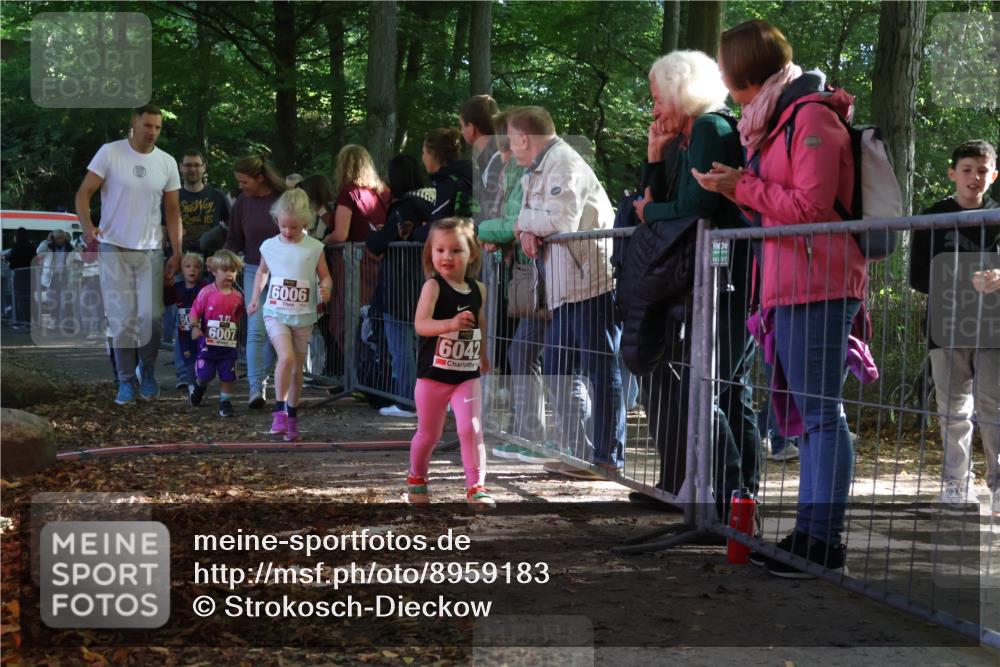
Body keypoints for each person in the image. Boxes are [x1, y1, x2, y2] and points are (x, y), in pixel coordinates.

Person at [694, 19, 865, 577]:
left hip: (821, 283)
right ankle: (810, 536)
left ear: (741, 68)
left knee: (821, 416)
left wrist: (740, 186)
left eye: (723, 65)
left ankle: (824, 541)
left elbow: (814, 209)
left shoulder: (811, 116)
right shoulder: (774, 122)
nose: (720, 75)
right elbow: (777, 210)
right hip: (790, 285)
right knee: (813, 416)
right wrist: (738, 187)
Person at [628, 50, 760, 513]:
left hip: (727, 274)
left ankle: (727, 498)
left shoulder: (708, 128)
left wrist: (650, 212)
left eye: (658, 98)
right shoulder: (685, 137)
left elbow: (691, 207)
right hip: (705, 274)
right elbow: (656, 199)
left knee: (712, 384)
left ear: (681, 91)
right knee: (722, 384)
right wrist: (653, 156)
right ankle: (709, 489)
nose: (654, 109)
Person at [509, 105, 625, 480]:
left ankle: (608, 457)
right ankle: (576, 451)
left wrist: (525, 224)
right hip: (564, 287)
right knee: (560, 367)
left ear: (524, 137)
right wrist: (527, 229)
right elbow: (532, 223)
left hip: (593, 283)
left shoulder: (564, 163)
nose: (510, 149)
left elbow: (560, 221)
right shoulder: (537, 171)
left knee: (600, 369)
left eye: (511, 140)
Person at [908, 139, 999, 512]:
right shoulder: (932, 217)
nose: (974, 178)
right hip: (945, 327)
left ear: (993, 175)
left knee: (994, 408)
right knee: (953, 410)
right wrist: (963, 280)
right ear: (952, 174)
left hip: (993, 329)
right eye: (967, 170)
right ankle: (956, 483)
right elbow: (917, 276)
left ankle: (997, 485)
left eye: (982, 171)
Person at [75, 103, 183, 404]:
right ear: (134, 124)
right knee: (122, 320)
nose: (153, 132)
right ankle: (124, 382)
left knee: (152, 318)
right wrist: (88, 227)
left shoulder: (167, 162)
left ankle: (145, 371)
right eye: (148, 126)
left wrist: (177, 250)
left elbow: (173, 210)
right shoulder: (110, 152)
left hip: (150, 249)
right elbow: (84, 192)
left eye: (158, 127)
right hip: (114, 246)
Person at [477, 108, 551, 464]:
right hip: (530, 275)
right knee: (523, 353)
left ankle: (534, 437)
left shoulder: (522, 169)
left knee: (526, 353)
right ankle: (527, 433)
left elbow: (513, 221)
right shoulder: (513, 168)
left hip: (541, 276)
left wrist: (480, 232)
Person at [406, 217, 493, 509]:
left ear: (472, 254)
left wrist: (482, 356)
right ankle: (417, 477)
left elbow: (480, 324)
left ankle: (476, 487)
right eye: (440, 250)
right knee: (429, 433)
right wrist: (450, 324)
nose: (447, 257)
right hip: (433, 376)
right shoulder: (432, 287)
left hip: (466, 375)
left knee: (471, 427)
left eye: (456, 250)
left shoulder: (479, 289)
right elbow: (421, 325)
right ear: (430, 253)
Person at [248, 189, 333, 442]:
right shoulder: (269, 246)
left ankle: (293, 416)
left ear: (305, 223)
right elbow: (262, 272)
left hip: (303, 315)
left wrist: (326, 288)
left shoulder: (315, 247)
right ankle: (279, 412)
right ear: (277, 221)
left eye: (293, 227)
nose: (287, 231)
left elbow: (325, 275)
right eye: (283, 226)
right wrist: (255, 298)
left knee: (297, 369)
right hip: (275, 312)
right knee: (285, 358)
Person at [366, 154, 435, 418]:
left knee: (401, 346)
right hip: (428, 283)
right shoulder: (436, 201)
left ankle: (407, 400)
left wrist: (379, 233)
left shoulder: (403, 207)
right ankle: (433, 398)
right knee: (428, 345)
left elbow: (377, 244)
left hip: (399, 288)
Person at [224, 153, 285, 409]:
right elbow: (234, 238)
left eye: (244, 182)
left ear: (260, 178)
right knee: (256, 328)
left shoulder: (281, 200)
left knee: (277, 332)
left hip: (283, 272)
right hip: (253, 269)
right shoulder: (241, 203)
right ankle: (255, 387)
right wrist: (223, 260)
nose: (241, 187)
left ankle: (265, 376)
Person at [188, 250, 244, 417]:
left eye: (233, 271)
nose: (229, 275)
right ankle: (199, 387)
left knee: (228, 376)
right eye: (225, 270)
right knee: (206, 375)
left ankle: (225, 403)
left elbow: (237, 318)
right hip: (207, 345)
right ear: (214, 271)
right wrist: (195, 327)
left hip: (228, 346)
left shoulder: (238, 297)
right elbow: (194, 312)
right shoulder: (206, 293)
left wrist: (235, 337)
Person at [167, 252, 210, 391]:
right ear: (182, 269)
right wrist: (166, 285)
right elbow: (167, 300)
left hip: (199, 328)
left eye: (196, 267)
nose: (192, 270)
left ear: (201, 270)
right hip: (182, 328)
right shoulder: (177, 287)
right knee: (180, 349)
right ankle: (182, 376)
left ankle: (199, 374)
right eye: (188, 266)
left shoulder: (204, 287)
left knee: (200, 350)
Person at [459, 94, 504, 221]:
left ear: (471, 128)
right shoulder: (494, 156)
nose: (461, 131)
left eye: (462, 125)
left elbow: (493, 213)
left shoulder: (497, 160)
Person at [178, 149, 230, 256]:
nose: (192, 169)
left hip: (213, 259)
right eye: (188, 165)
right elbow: (163, 228)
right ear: (180, 167)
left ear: (204, 167)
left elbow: (232, 226)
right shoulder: (172, 197)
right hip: (182, 257)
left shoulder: (218, 196)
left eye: (197, 165)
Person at [419, 129, 474, 225]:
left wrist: (414, 231)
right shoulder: (464, 174)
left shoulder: (448, 184)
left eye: (424, 152)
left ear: (433, 153)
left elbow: (437, 228)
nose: (422, 157)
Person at [35, 230, 73, 332]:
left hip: (65, 277)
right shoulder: (48, 247)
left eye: (61, 237)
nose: (60, 240)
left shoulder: (70, 247)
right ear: (53, 238)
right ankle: (53, 321)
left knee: (64, 301)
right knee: (52, 300)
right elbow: (38, 251)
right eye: (57, 238)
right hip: (52, 278)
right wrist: (47, 240)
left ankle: (62, 323)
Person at [7, 227, 36, 327]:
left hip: (19, 276)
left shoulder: (16, 248)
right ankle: (30, 320)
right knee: (29, 299)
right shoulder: (31, 247)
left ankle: (20, 320)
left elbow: (12, 263)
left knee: (19, 298)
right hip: (30, 276)